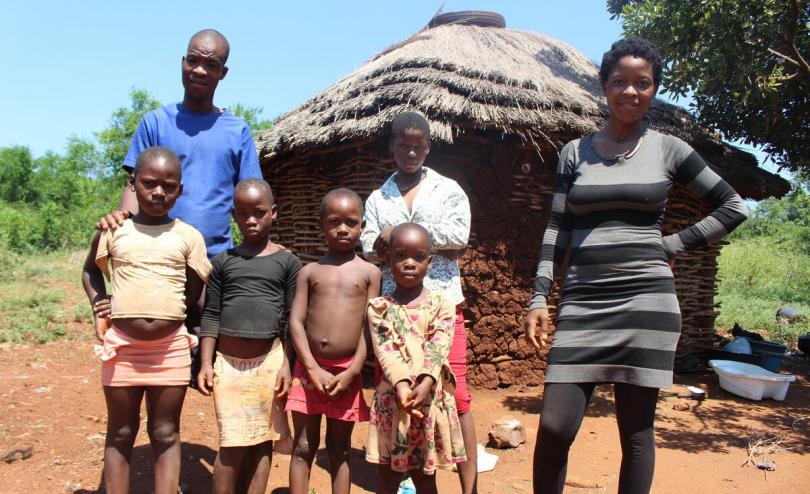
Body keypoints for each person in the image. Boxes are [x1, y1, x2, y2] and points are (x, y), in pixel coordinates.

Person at [523, 38, 749, 494]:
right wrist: (538, 296)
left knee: (637, 432)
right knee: (554, 426)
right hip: (583, 303)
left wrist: (671, 244)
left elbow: (733, 206)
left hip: (646, 304)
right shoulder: (574, 152)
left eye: (642, 83)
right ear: (604, 87)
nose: (631, 91)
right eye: (620, 82)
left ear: (654, 89)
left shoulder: (669, 150)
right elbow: (556, 229)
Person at [81, 147, 212, 494]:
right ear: (133, 183)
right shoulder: (114, 231)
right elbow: (90, 271)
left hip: (170, 349)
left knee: (166, 432)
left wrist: (186, 333)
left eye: (168, 186)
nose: (158, 192)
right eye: (149, 183)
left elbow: (195, 293)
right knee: (121, 433)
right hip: (122, 347)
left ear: (179, 190)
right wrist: (100, 303)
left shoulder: (188, 237)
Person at [360, 111, 478, 494]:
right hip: (394, 310)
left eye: (418, 145)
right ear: (392, 146)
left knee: (455, 396)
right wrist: (387, 237)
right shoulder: (379, 197)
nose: (411, 152)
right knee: (398, 392)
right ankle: (404, 473)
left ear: (428, 147)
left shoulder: (448, 190)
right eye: (403, 145)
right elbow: (367, 243)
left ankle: (469, 486)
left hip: (441, 305)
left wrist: (399, 235)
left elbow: (460, 235)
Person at [97, 28, 262, 258]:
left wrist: (264, 250)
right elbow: (135, 186)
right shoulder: (155, 123)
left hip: (215, 263)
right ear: (183, 62)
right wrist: (120, 226)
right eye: (193, 61)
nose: (199, 70)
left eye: (211, 65)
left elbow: (252, 199)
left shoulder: (237, 131)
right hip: (156, 257)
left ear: (223, 73)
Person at [196, 179, 301, 494]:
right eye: (243, 214)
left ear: (274, 213)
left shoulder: (287, 262)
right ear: (234, 216)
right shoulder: (224, 262)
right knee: (231, 443)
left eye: (259, 212)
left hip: (270, 362)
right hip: (227, 366)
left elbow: (291, 320)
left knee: (262, 440)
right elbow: (211, 315)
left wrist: (287, 366)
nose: (251, 220)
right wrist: (205, 363)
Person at [286, 188, 381, 494]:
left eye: (351, 222)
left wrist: (354, 370)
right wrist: (311, 368)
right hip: (308, 371)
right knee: (302, 445)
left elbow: (371, 325)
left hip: (346, 372)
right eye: (334, 221)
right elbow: (295, 322)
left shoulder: (370, 273)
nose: (343, 229)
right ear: (321, 224)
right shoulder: (309, 271)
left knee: (339, 449)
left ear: (363, 225)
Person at [366, 223, 467, 494]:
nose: (409, 263)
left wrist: (425, 382)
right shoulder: (379, 309)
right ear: (388, 261)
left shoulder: (442, 305)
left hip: (428, 400)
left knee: (425, 477)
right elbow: (387, 350)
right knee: (387, 478)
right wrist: (401, 385)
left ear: (430, 263)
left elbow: (439, 344)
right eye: (400, 256)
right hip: (393, 402)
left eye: (418, 256)